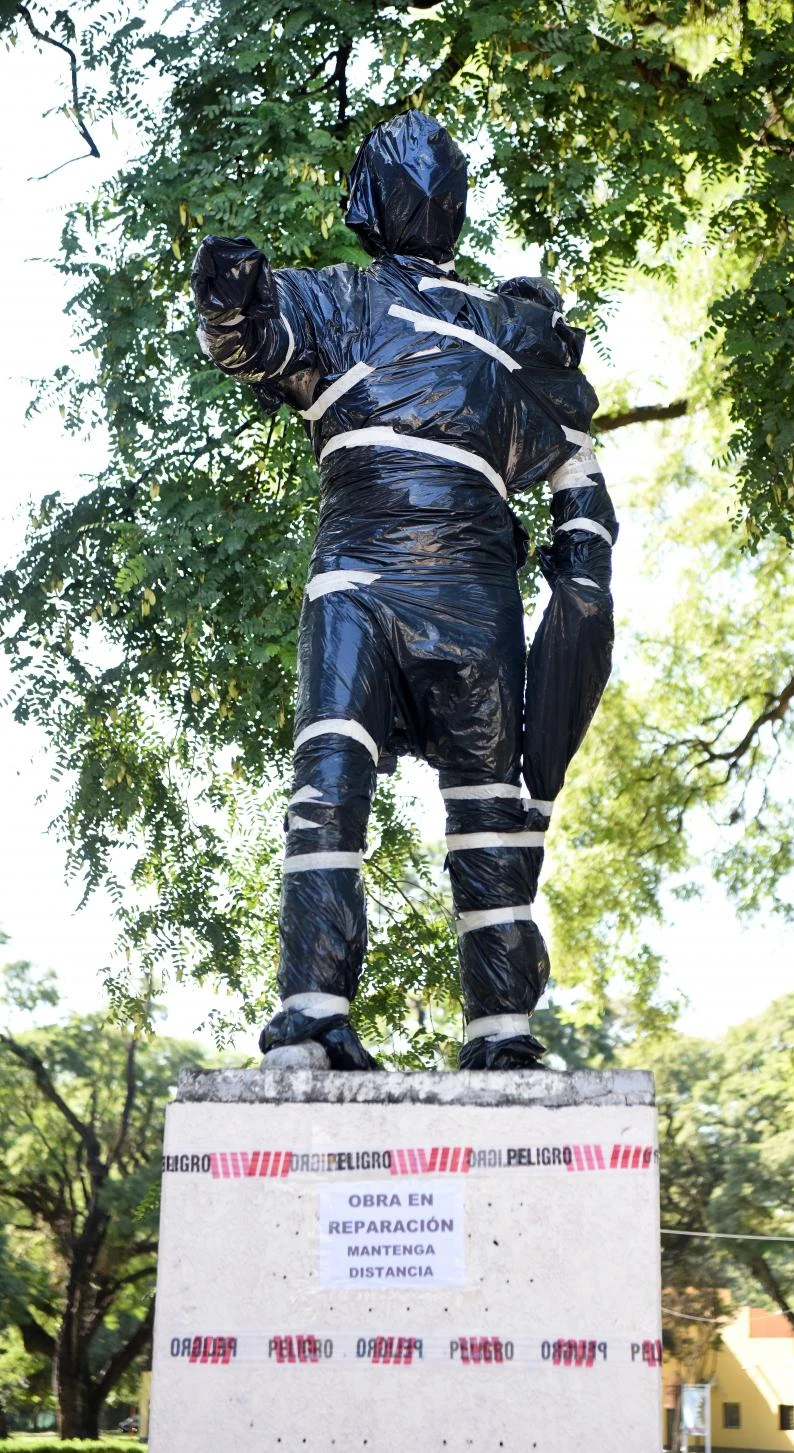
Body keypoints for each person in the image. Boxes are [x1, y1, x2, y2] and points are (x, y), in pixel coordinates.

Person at [191, 110, 616, 1070]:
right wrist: (230, 300)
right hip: (369, 576)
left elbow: (575, 462)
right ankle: (313, 1011)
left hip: (462, 586)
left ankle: (500, 1028)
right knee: (338, 781)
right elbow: (255, 339)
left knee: (479, 800)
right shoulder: (340, 301)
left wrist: (585, 571)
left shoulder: (510, 324)